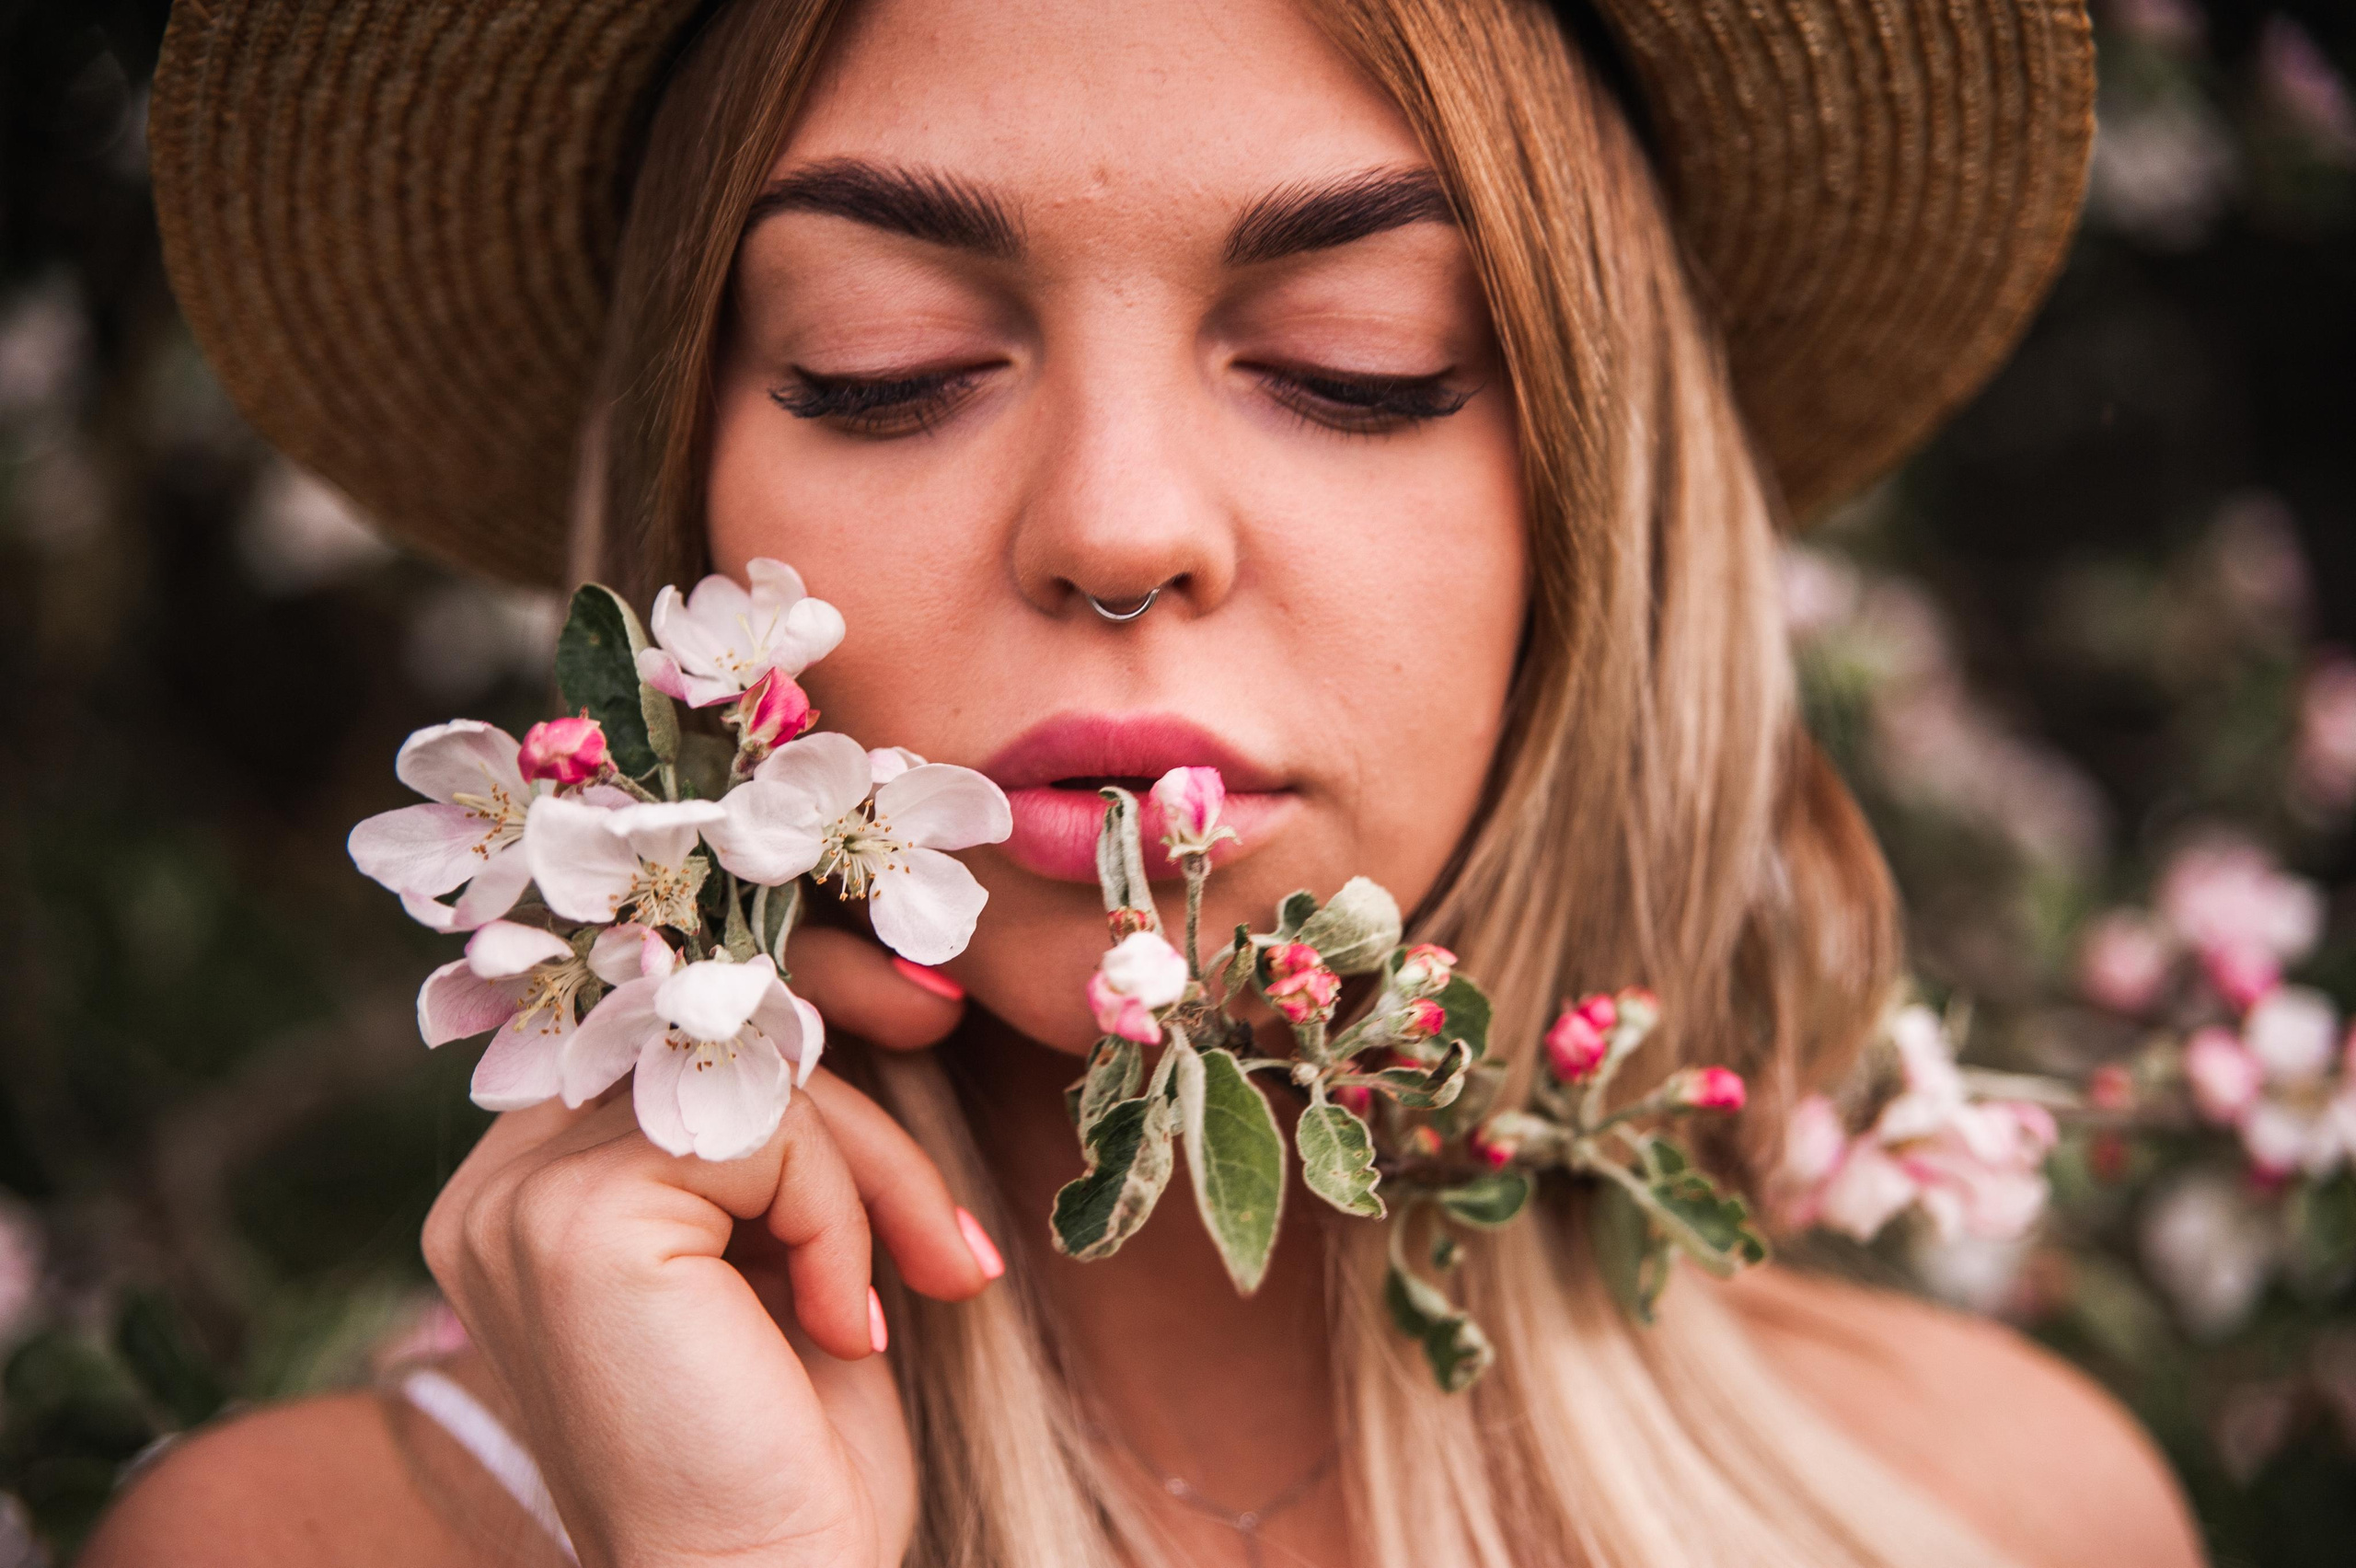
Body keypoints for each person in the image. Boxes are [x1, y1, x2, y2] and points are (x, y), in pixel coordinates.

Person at [88, 0, 2206, 1564]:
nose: (1114, 525)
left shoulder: (2008, 1518)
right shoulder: (289, 1545)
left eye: (1354, 362)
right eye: (881, 361)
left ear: (1590, 499)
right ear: (689, 505)